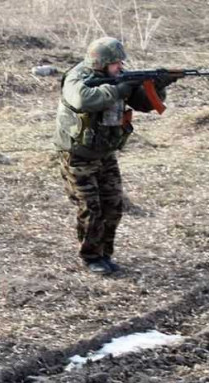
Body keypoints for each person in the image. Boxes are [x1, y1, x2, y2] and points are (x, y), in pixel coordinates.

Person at [54, 37, 174, 274]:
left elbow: (144, 104)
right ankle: (91, 257)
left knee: (113, 205)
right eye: (116, 63)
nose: (121, 66)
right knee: (91, 207)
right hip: (77, 155)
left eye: (121, 62)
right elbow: (82, 99)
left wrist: (159, 86)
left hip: (105, 153)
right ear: (101, 63)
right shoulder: (77, 77)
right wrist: (119, 89)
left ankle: (104, 254)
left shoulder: (116, 76)